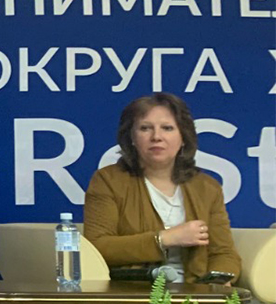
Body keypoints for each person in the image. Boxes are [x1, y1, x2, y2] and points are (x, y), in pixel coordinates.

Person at [84, 92, 240, 285]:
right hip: (134, 291)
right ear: (131, 137)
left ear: (183, 137)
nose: (156, 137)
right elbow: (97, 247)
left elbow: (223, 253)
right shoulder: (108, 181)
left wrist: (218, 282)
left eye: (167, 128)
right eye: (145, 128)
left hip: (194, 292)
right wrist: (164, 239)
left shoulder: (207, 187)